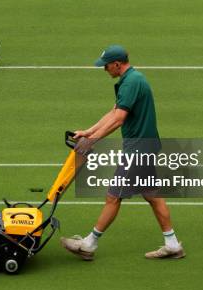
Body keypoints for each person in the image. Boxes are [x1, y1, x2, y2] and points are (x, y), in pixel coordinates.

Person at [60, 45, 185, 260]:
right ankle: (172, 244)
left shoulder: (132, 82)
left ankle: (89, 244)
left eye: (106, 65)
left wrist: (92, 141)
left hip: (138, 149)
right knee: (153, 196)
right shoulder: (131, 80)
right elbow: (113, 113)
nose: (104, 69)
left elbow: (118, 119)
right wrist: (88, 132)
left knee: (113, 196)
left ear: (117, 64)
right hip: (145, 146)